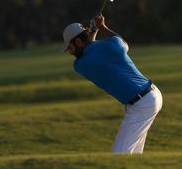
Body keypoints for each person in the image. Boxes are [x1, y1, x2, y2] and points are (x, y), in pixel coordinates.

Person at [62, 14, 163, 154]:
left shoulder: (80, 64)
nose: (69, 52)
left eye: (70, 47)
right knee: (134, 152)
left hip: (141, 104)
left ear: (78, 42)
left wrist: (94, 31)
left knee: (119, 154)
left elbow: (90, 50)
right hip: (152, 95)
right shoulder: (112, 44)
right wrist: (103, 27)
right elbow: (123, 43)